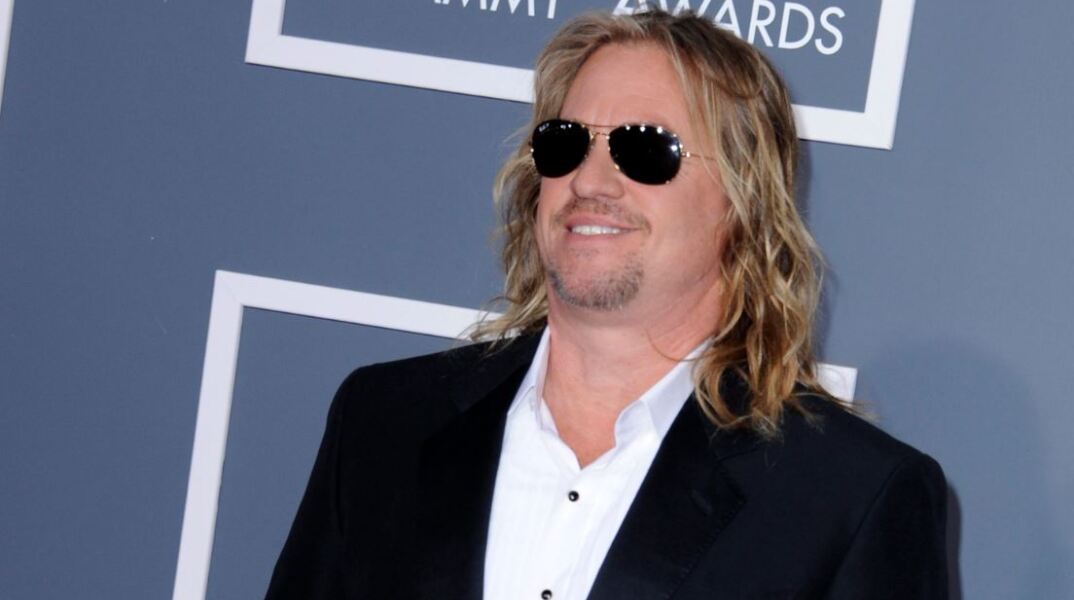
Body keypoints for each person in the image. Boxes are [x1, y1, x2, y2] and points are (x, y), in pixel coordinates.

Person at [266, 9, 948, 600]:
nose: (590, 180)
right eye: (564, 143)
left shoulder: (847, 498)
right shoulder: (382, 423)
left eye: (645, 149)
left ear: (744, 201)